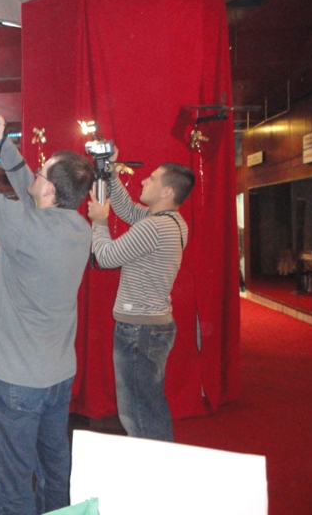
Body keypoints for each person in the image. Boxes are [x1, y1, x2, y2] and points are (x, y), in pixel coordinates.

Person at [0, 106, 95, 514]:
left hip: (15, 382)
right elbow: (32, 192)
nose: (35, 173)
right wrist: (2, 143)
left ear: (49, 190)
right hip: (56, 378)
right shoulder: (78, 228)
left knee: (11, 482)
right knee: (54, 470)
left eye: (42, 172)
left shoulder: (25, 228)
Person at [87, 152, 194, 442]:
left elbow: (106, 257)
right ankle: (156, 457)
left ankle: (151, 464)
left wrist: (99, 222)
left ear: (167, 191)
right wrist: (110, 172)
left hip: (139, 328)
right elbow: (127, 210)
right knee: (148, 403)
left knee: (138, 411)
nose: (144, 180)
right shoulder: (172, 222)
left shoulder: (154, 227)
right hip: (152, 325)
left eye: (153, 179)